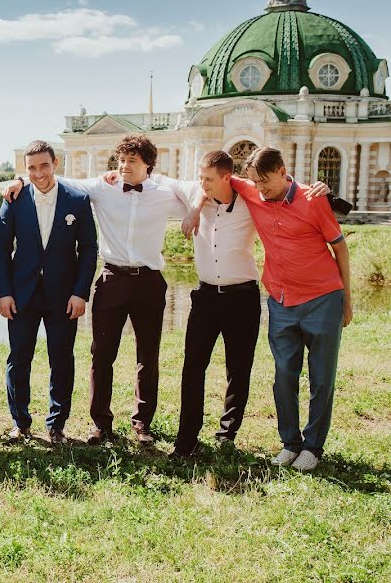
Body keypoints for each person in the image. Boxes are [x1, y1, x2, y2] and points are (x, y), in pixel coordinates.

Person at [138, 152, 329, 458]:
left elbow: (281, 189)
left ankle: (227, 434)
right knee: (192, 367)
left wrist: (317, 188)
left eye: (209, 179)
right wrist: (194, 206)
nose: (202, 183)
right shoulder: (195, 192)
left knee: (238, 370)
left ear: (228, 178)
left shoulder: (251, 200)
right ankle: (186, 440)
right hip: (205, 298)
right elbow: (159, 179)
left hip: (243, 297)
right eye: (200, 178)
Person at [6, 134, 189, 445]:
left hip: (149, 280)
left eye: (132, 160)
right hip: (112, 279)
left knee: (148, 356)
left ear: (148, 164)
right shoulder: (102, 188)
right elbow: (53, 179)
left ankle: (142, 424)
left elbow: (200, 190)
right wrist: (22, 178)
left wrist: (196, 208)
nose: (125, 165)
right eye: (121, 159)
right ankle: (101, 424)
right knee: (101, 355)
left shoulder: (165, 193)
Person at [232, 147, 352, 471]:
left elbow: (340, 247)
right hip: (281, 301)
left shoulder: (313, 200)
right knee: (284, 375)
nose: (259, 189)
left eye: (265, 182)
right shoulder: (253, 190)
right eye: (254, 182)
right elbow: (215, 177)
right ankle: (290, 443)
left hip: (323, 300)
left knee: (322, 378)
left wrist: (347, 301)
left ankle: (313, 447)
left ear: (283, 172)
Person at [0, 140, 97, 444]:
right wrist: (3, 292)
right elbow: (1, 249)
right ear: (25, 170)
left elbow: (89, 249)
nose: (39, 173)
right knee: (19, 357)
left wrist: (81, 293)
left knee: (61, 359)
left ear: (56, 164)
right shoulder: (14, 199)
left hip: (64, 296)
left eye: (44, 166)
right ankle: (20, 422)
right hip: (21, 294)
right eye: (31, 168)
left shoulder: (78, 200)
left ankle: (56, 425)